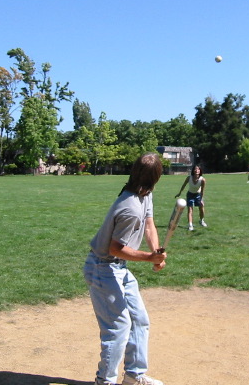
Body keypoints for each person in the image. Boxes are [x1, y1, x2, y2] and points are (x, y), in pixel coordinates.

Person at [83, 153, 167, 385]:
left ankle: (134, 375)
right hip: (103, 268)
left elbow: (150, 225)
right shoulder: (129, 207)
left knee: (139, 319)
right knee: (118, 327)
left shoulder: (145, 195)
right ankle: (105, 381)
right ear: (156, 177)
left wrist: (156, 253)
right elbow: (116, 248)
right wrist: (149, 257)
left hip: (119, 269)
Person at [175, 165, 207, 231]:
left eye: (198, 169)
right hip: (190, 195)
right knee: (190, 210)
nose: (196, 170)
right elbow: (183, 185)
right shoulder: (189, 178)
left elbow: (202, 191)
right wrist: (179, 193)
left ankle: (201, 221)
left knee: (201, 208)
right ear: (193, 170)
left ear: (200, 171)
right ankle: (190, 225)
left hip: (198, 195)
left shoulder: (202, 180)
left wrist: (201, 199)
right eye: (195, 169)